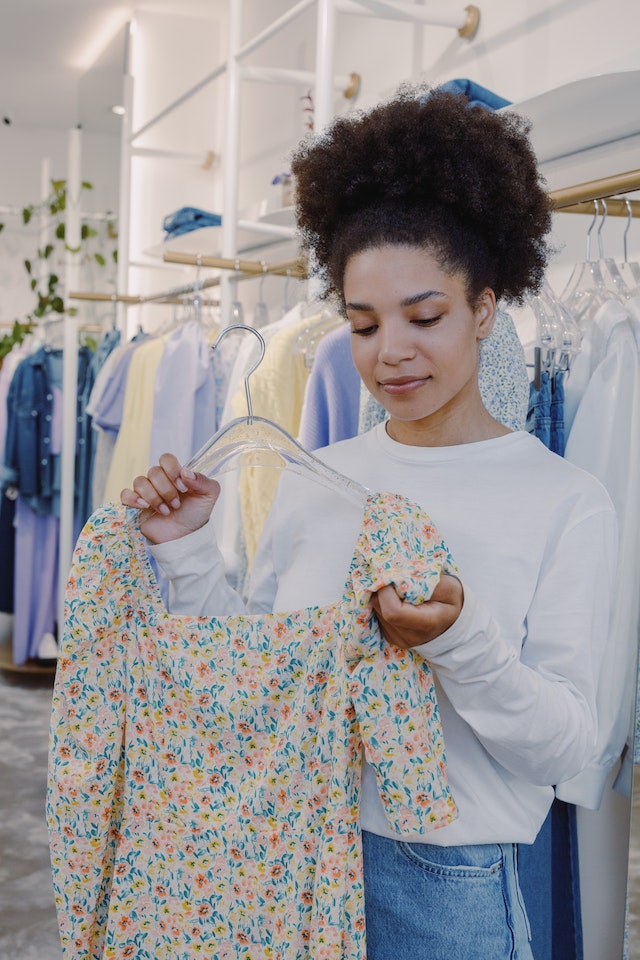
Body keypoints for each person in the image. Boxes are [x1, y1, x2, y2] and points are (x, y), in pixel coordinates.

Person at [121, 88, 617, 959]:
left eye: (423, 317)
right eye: (362, 324)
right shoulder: (322, 478)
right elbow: (260, 679)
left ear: (486, 308)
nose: (390, 351)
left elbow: (569, 744)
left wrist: (461, 639)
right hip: (293, 860)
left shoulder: (566, 501)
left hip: (450, 893)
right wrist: (190, 548)